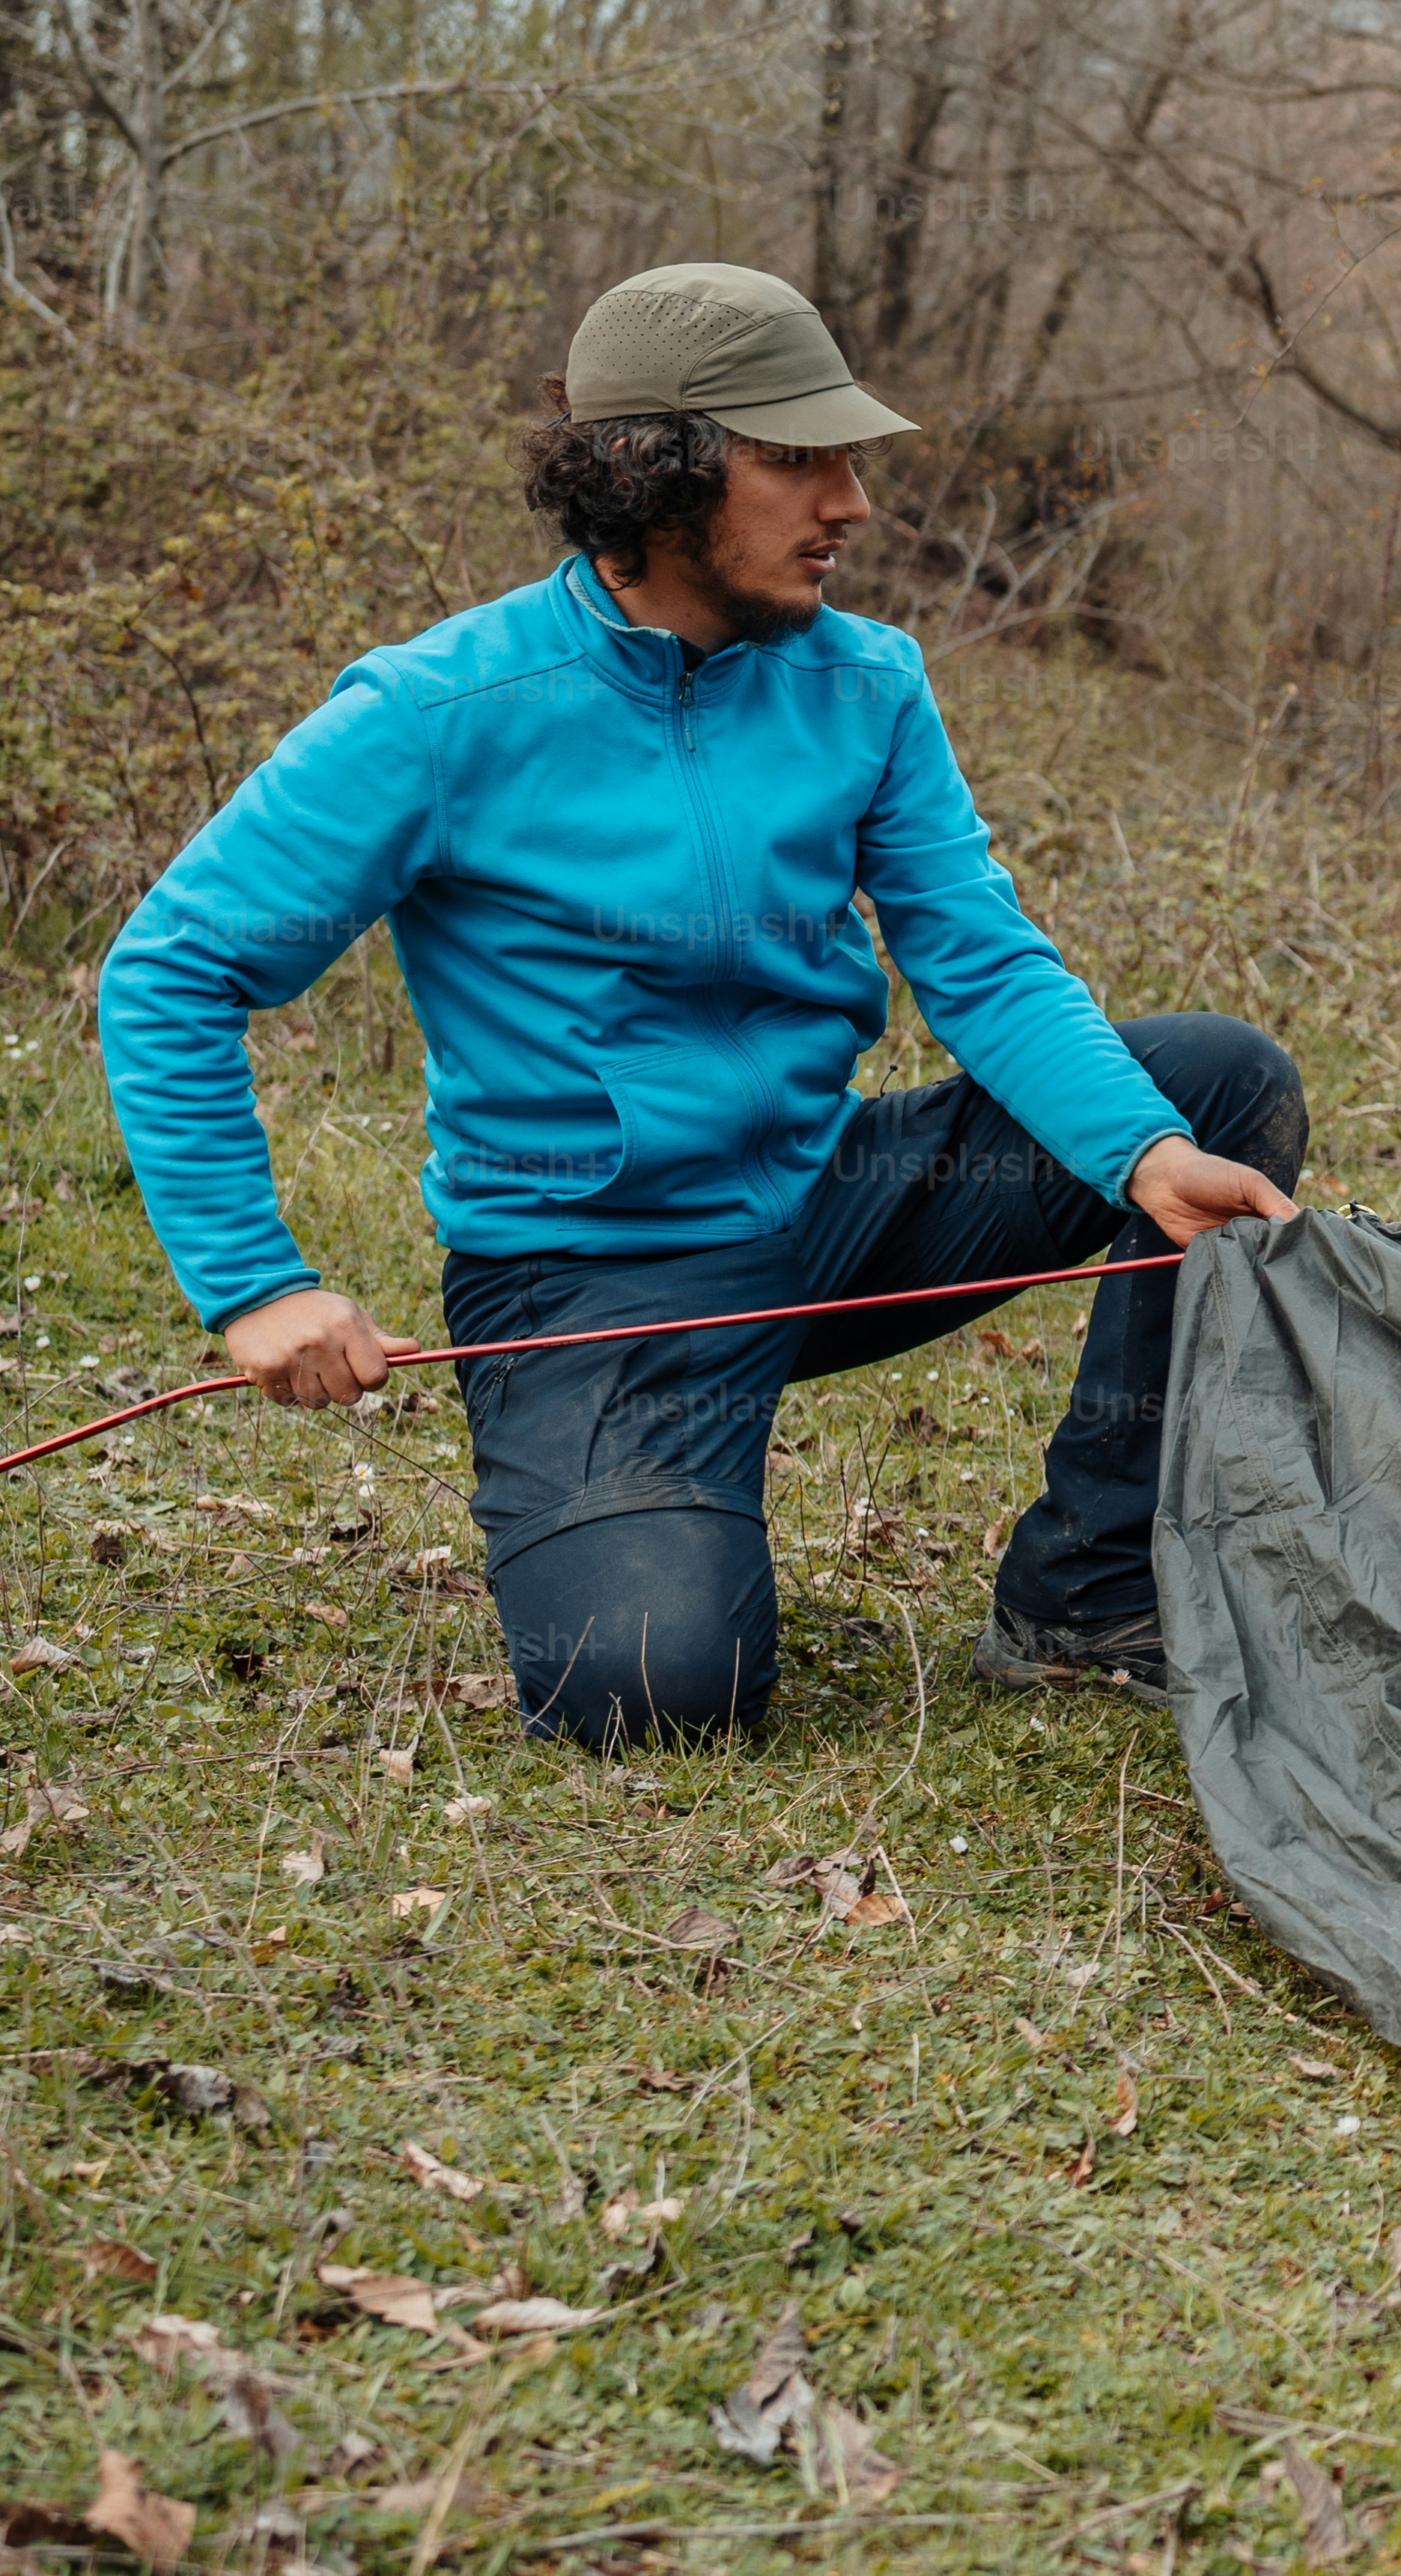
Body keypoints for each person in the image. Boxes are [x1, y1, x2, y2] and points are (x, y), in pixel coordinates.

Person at [96, 263, 1305, 1744]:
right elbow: (173, 969)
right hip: (589, 1284)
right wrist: (256, 1284)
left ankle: (1084, 1593)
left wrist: (1141, 1155)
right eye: (801, 459)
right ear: (653, 473)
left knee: (1213, 1083)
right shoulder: (439, 713)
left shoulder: (865, 684)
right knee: (658, 1688)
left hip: (831, 1207)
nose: (851, 502)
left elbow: (978, 957)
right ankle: (646, 1508)